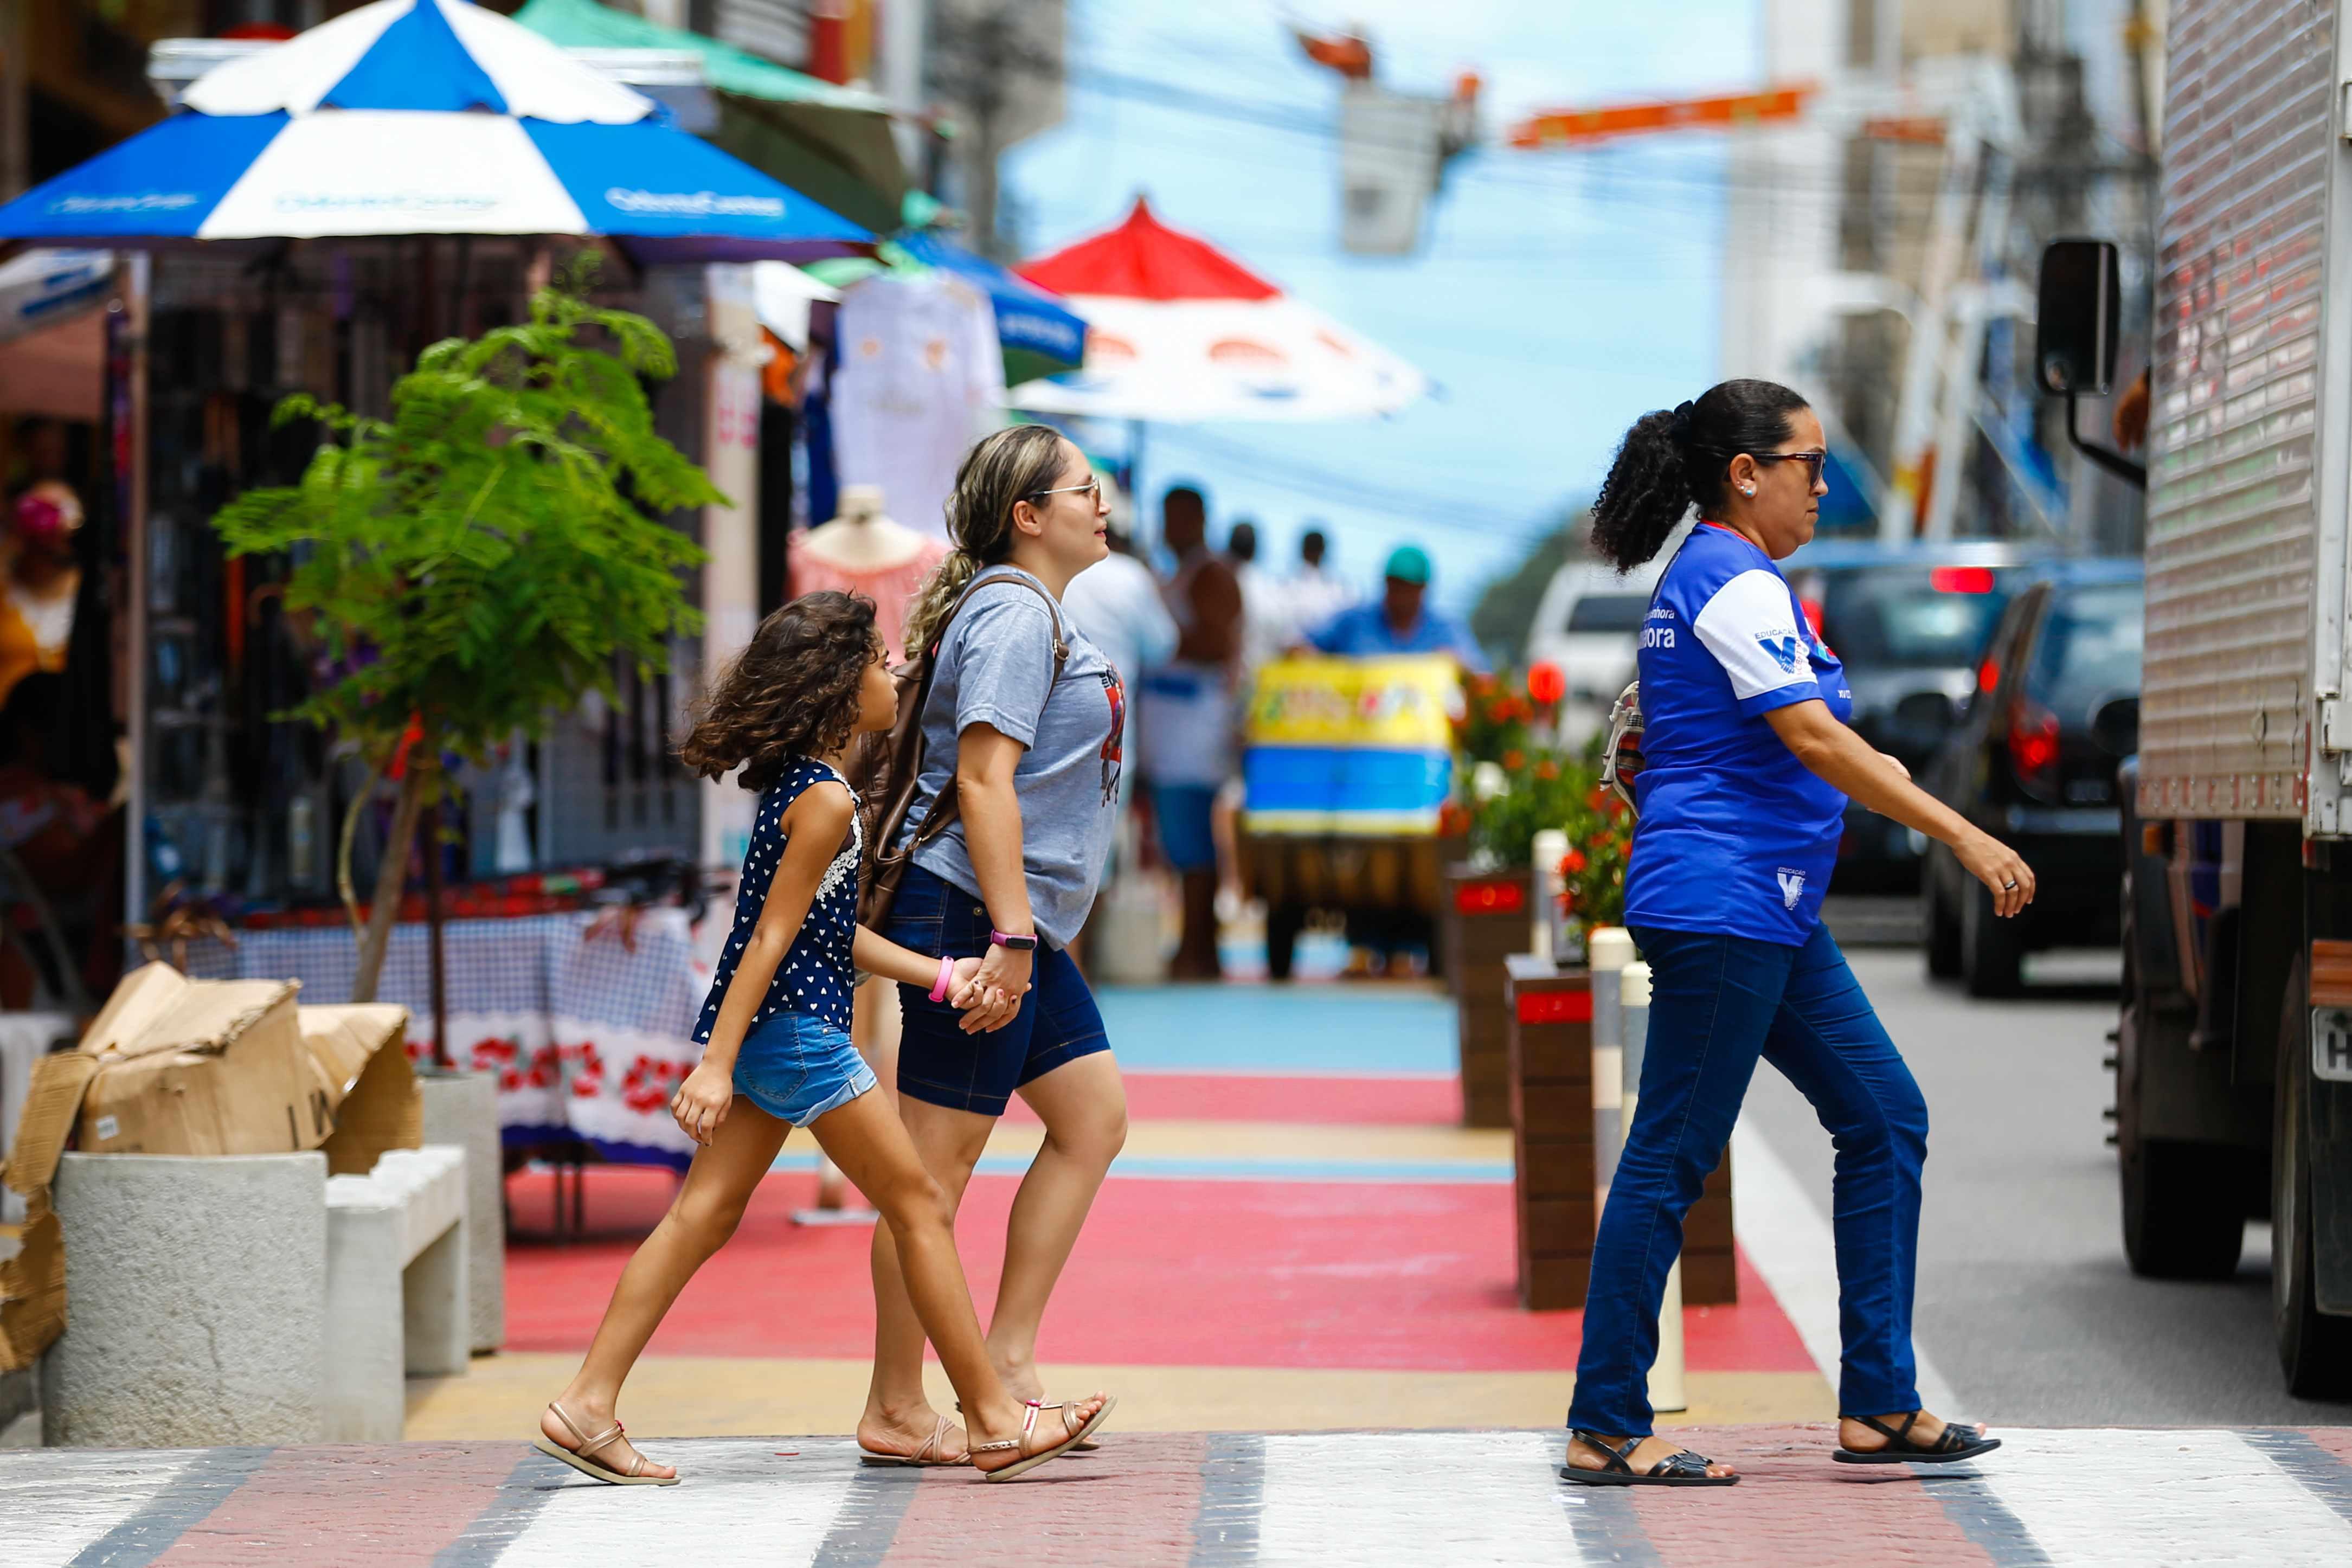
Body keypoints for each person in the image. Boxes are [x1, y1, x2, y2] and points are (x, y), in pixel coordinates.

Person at [534, 592, 1112, 1486]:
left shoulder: (808, 789)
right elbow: (764, 938)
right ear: (843, 690)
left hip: (782, 1029)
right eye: (881, 664)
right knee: (918, 1203)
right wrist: (716, 1063)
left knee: (702, 1213)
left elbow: (823, 929)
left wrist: (937, 974)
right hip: (798, 1037)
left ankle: (586, 1403)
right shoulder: (828, 803)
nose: (895, 677)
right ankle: (995, 1419)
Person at [1563, 379, 2025, 1487]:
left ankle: (1877, 1404)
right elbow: (1815, 740)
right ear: (1745, 474)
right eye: (1810, 464)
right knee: (1670, 1157)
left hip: (1766, 905)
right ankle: (1607, 1422)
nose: (1824, 485)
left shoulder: (1728, 580)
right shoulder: (1731, 578)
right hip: (1725, 908)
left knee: (1882, 1116)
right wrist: (1963, 835)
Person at [860, 425, 1135, 1467]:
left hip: (1018, 921)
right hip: (976, 916)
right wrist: (1012, 939)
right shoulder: (1016, 614)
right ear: (1028, 516)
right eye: (1083, 490)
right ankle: (895, 1404)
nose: (1099, 504)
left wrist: (1030, 932)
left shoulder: (1027, 610)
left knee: (1091, 1119)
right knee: (930, 1178)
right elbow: (981, 781)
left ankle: (1009, 1356)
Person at [1139, 484, 1244, 979]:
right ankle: (1192, 945)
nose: (1171, 528)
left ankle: (1201, 950)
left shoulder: (1213, 575)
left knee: (1196, 847)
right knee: (1179, 848)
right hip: (1169, 738)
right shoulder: (1173, 573)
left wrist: (1159, 639)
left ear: (1200, 520)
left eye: (1180, 518)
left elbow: (1217, 643)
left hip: (1193, 739)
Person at [1303, 544, 1488, 673]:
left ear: (1423, 588)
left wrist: (1459, 665)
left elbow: (1483, 675)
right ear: (1386, 582)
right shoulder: (1354, 622)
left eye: (1407, 587)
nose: (1400, 595)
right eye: (1395, 585)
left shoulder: (1447, 631)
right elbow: (1303, 647)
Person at [1285, 525, 1355, 639]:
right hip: (1323, 651)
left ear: (1302, 551)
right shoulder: (1341, 591)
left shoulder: (1287, 588)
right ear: (1324, 551)